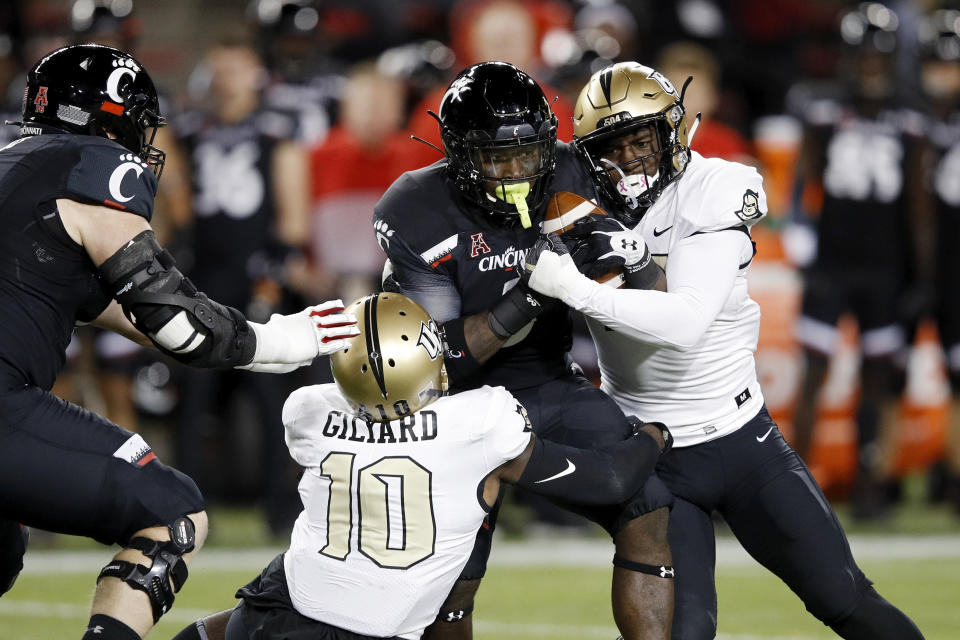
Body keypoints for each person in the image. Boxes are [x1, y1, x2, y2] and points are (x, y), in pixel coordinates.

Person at [522, 59, 925, 639]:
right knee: (684, 633)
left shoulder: (717, 188)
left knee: (846, 600)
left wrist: (574, 288)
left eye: (644, 138)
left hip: (742, 444)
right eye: (616, 145)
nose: (633, 158)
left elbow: (685, 321)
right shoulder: (572, 205)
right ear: (590, 153)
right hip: (653, 455)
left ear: (673, 131)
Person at [0, 44, 359, 640]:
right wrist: (280, 338)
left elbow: (129, 314)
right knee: (171, 512)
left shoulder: (16, 168)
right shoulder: (93, 166)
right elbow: (176, 322)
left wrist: (273, 343)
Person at [173, 292, 672, 640]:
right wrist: (656, 434)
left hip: (285, 603)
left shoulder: (309, 409)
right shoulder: (479, 421)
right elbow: (612, 480)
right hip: (382, 630)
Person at [374, 61, 674, 640]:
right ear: (460, 157)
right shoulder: (416, 208)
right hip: (451, 404)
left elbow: (656, 304)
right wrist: (529, 300)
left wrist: (633, 260)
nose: (515, 171)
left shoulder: (574, 172)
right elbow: (437, 361)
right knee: (455, 572)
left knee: (647, 507)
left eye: (528, 153)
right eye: (495, 158)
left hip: (547, 380)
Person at [784, 2, 929, 519]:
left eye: (877, 57)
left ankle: (870, 485)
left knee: (877, 374)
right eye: (862, 56)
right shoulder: (823, 108)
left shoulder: (911, 115)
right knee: (814, 370)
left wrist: (921, 273)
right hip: (832, 262)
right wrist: (799, 230)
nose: (869, 66)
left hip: (884, 268)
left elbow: (918, 202)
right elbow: (804, 179)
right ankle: (792, 485)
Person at [175, 34, 316, 533]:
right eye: (220, 69)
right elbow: (174, 207)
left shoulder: (278, 132)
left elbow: (295, 220)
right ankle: (182, 512)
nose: (227, 79)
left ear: (256, 74)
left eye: (236, 68)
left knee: (271, 402)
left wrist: (274, 279)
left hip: (258, 279)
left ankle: (284, 510)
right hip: (201, 280)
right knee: (192, 402)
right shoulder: (189, 131)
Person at [918, 8, 960, 515]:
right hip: (903, 267)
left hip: (953, 270)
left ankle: (952, 472)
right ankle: (879, 474)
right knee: (892, 368)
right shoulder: (911, 116)